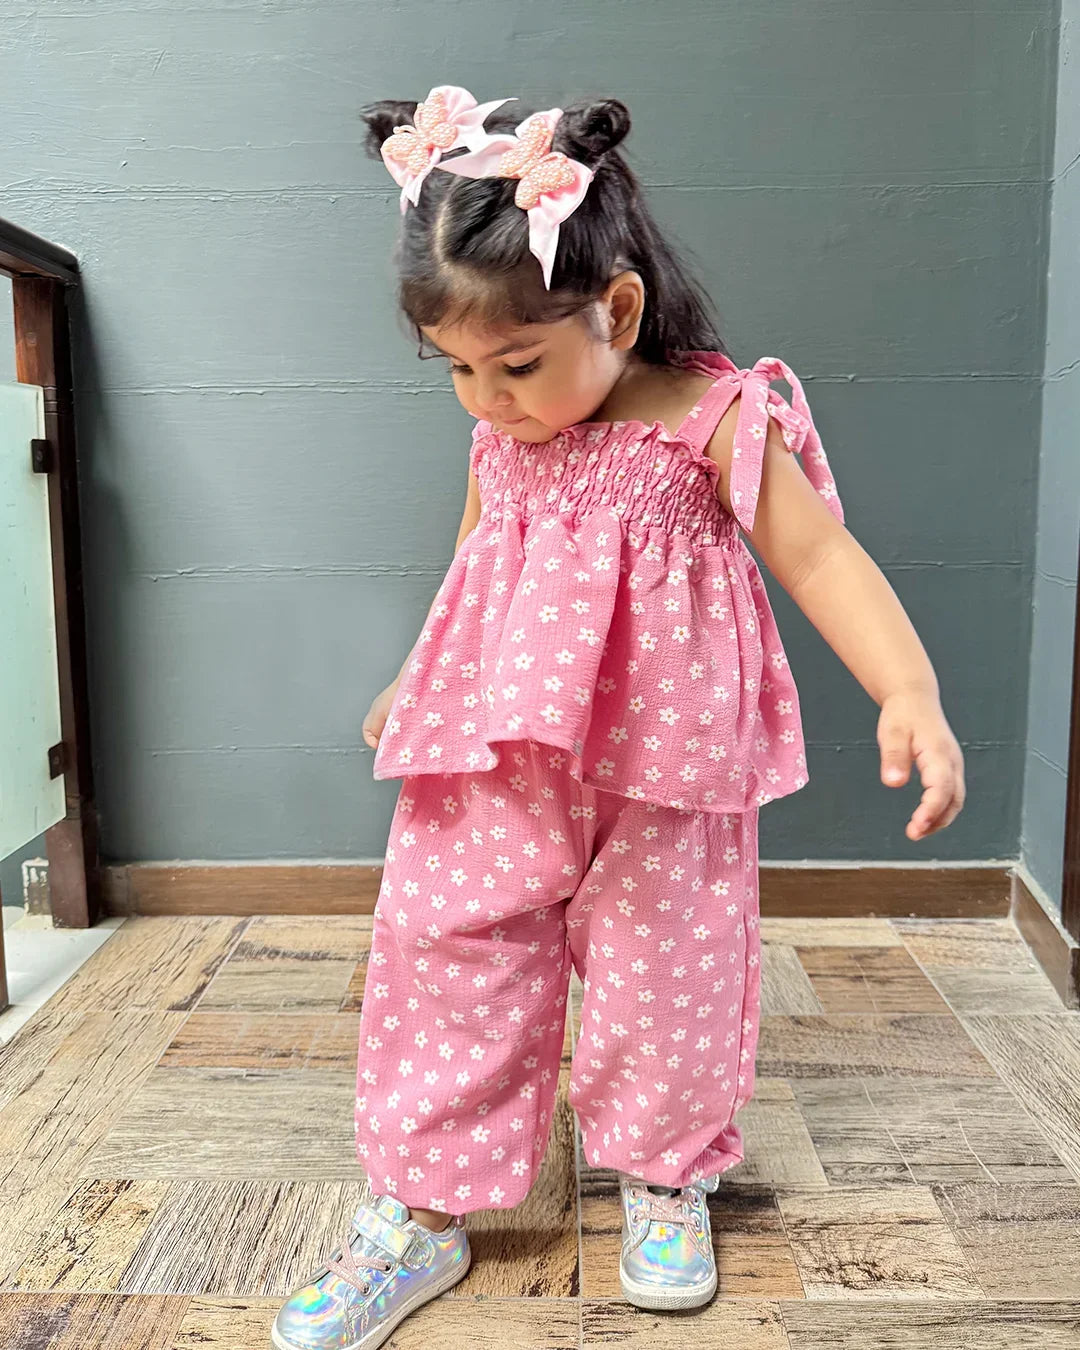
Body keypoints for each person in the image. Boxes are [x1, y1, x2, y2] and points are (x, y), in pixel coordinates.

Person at [272, 84, 966, 1350]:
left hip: (667, 764)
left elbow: (819, 557)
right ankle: (419, 1208)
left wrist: (906, 689)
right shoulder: (503, 436)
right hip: (496, 752)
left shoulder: (716, 419)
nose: (488, 400)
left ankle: (663, 1173)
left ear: (621, 310)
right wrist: (418, 675)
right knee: (448, 950)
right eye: (458, 371)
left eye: (516, 365)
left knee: (669, 972)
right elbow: (476, 561)